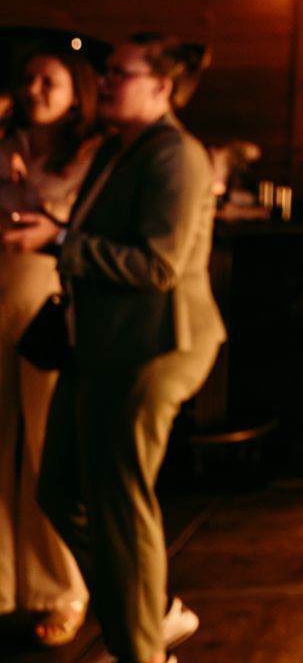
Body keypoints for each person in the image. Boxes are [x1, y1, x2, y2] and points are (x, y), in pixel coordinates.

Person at [5, 35, 222, 663]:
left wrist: (58, 242)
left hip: (154, 345)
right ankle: (150, 616)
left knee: (121, 507)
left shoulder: (176, 154)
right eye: (105, 72)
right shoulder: (117, 149)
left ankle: (142, 650)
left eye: (119, 73)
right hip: (97, 342)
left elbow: (159, 266)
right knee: (59, 492)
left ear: (162, 87)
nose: (103, 80)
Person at [0, 53, 98, 648]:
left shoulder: (91, 155)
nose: (34, 89)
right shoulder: (6, 141)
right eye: (28, 79)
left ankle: (63, 587)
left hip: (46, 298)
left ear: (77, 94)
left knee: (46, 445)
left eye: (49, 82)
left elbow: (86, 229)